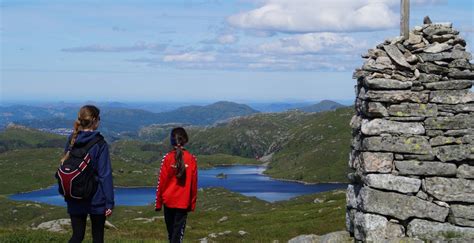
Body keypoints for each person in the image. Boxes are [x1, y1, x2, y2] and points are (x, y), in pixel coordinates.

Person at [60, 105, 114, 243]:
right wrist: (109, 202)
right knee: (97, 238)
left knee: (77, 236)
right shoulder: (100, 143)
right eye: (99, 119)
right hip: (96, 198)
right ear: (95, 120)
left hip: (74, 196)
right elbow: (105, 175)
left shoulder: (72, 139)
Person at [155, 127, 198, 243]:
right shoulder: (191, 159)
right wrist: (192, 204)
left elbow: (161, 182)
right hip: (183, 204)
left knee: (171, 235)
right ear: (185, 140)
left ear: (171, 141)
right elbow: (194, 185)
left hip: (168, 202)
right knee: (177, 236)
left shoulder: (167, 158)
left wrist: (158, 203)